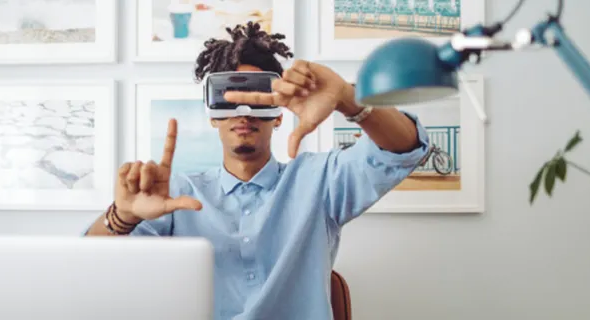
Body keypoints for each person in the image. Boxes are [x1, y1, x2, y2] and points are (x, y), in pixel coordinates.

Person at [84, 22, 430, 320]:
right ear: (213, 113)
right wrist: (123, 216)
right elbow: (89, 266)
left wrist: (346, 98)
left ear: (279, 113)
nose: (245, 109)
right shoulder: (175, 196)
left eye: (257, 95)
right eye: (230, 97)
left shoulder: (320, 181)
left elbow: (405, 149)